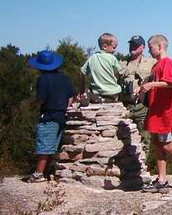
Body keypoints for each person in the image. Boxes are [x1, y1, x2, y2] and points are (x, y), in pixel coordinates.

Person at [139, 34, 172, 194]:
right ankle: (162, 179)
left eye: (151, 47)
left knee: (167, 145)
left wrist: (151, 84)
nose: (149, 50)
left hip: (164, 112)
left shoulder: (166, 62)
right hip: (156, 110)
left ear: (160, 46)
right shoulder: (156, 65)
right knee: (157, 144)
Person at [24, 50, 75, 183]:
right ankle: (46, 172)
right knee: (54, 146)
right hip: (62, 115)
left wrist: (32, 105)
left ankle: (38, 174)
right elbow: (70, 96)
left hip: (49, 115)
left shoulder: (43, 79)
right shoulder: (63, 78)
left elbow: (41, 99)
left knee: (44, 146)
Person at [119, 35, 156, 152]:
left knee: (145, 137)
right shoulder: (122, 64)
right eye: (131, 44)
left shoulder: (151, 62)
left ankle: (142, 166)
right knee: (122, 136)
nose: (132, 47)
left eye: (135, 45)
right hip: (125, 105)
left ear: (143, 47)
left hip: (143, 105)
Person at [79, 33, 122, 103]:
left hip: (97, 93)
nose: (115, 50)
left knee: (88, 90)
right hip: (113, 93)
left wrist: (81, 89)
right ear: (105, 46)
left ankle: (87, 96)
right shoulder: (112, 58)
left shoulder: (92, 58)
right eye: (114, 47)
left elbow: (81, 73)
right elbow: (118, 74)